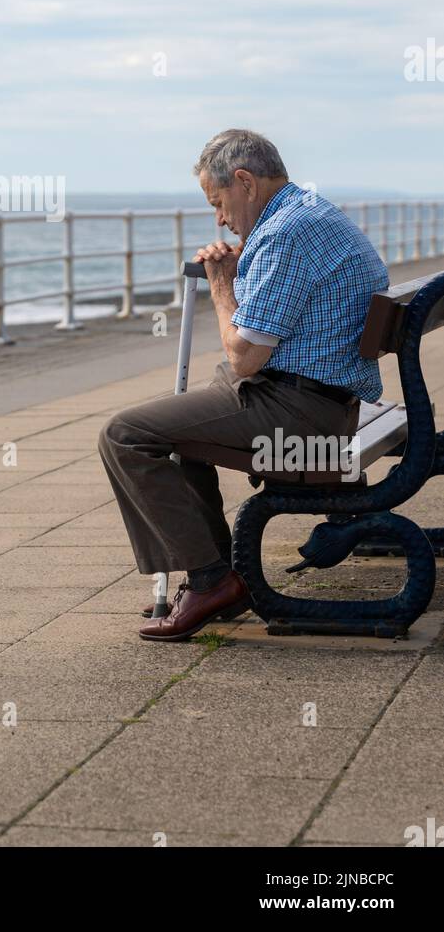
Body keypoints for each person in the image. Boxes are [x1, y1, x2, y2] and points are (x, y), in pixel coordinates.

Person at [98, 128, 389, 642]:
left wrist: (220, 281)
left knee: (125, 435)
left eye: (219, 202)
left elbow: (246, 355)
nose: (220, 218)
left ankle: (212, 582)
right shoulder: (309, 216)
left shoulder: (287, 234)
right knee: (177, 423)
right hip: (322, 405)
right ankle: (210, 578)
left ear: (245, 181)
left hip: (301, 421)